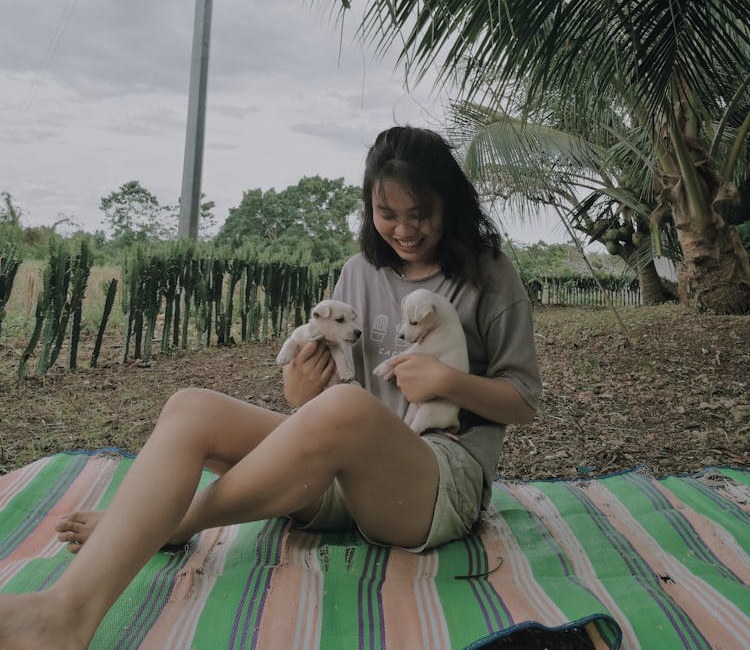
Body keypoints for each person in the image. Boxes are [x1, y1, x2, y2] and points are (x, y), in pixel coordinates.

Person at [0, 126, 541, 650]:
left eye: (419, 213)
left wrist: (448, 381)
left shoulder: (490, 276)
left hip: (433, 482)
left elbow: (522, 400)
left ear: (449, 202)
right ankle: (78, 598)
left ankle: (150, 539)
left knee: (348, 409)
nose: (403, 230)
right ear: (368, 210)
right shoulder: (359, 271)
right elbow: (321, 399)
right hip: (344, 470)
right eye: (387, 214)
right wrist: (299, 387)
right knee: (191, 408)